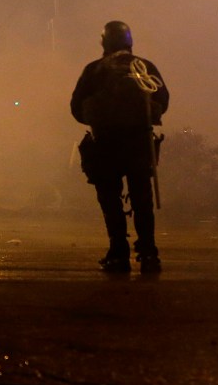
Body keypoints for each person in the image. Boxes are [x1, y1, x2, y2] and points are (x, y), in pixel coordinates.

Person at [70, 21, 169, 274]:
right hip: (138, 143)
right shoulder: (145, 67)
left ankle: (118, 253)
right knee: (142, 200)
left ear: (104, 42)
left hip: (106, 144)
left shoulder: (95, 70)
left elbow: (76, 107)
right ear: (129, 41)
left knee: (110, 201)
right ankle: (148, 253)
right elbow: (162, 100)